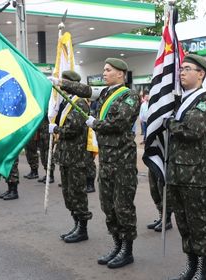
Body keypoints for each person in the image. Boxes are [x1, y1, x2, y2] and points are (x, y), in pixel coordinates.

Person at [58, 58, 140, 269]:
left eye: (108, 70)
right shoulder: (105, 93)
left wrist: (97, 124)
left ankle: (127, 250)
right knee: (108, 206)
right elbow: (85, 90)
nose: (104, 73)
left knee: (123, 207)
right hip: (107, 160)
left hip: (123, 161)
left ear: (121, 73)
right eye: (103, 69)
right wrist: (61, 83)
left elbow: (120, 122)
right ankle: (117, 244)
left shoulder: (129, 96)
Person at [165, 54, 206, 280]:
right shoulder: (179, 100)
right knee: (184, 225)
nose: (182, 72)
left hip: (198, 175)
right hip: (177, 173)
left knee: (200, 225)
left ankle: (201, 272)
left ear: (201, 74)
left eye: (188, 69)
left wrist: (169, 122)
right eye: (182, 69)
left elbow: (193, 130)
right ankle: (191, 266)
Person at [51, 70, 93, 243]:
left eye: (66, 82)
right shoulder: (67, 103)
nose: (63, 85)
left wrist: (55, 130)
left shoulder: (79, 103)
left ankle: (82, 229)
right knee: (69, 194)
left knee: (77, 194)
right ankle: (76, 225)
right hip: (67, 156)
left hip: (76, 158)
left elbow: (72, 129)